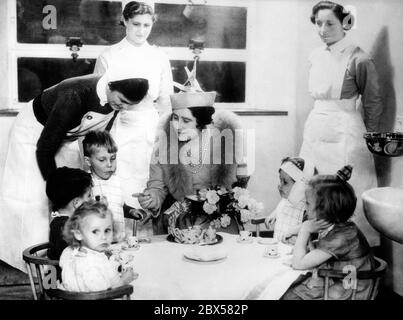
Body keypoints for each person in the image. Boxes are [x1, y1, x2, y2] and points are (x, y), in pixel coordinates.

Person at [0, 72, 148, 271]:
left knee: (76, 193)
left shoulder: (114, 101)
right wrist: (58, 190)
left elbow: (97, 142)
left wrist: (100, 169)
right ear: (111, 86)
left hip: (66, 134)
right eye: (122, 101)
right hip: (34, 132)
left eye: (128, 105)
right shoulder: (74, 95)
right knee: (38, 198)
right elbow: (44, 149)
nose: (123, 107)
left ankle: (71, 260)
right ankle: (38, 269)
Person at [299, 1, 383, 247]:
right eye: (318, 23)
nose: (323, 29)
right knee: (313, 187)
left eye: (329, 23)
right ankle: (316, 249)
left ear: (345, 23)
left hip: (345, 131)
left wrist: (371, 138)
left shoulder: (359, 58)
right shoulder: (315, 56)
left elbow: (373, 102)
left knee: (344, 192)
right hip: (316, 125)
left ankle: (352, 252)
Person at [94, 1, 173, 213]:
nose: (141, 30)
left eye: (147, 25)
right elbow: (98, 103)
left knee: (150, 183)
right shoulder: (108, 55)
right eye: (136, 24)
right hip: (119, 127)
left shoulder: (159, 57)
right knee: (120, 185)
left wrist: (166, 138)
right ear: (125, 21)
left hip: (150, 128)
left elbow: (166, 103)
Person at [138, 88, 250, 235]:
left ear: (201, 122)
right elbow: (157, 187)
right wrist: (152, 199)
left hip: (219, 222)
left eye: (186, 120)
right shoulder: (164, 146)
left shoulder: (224, 143)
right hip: (180, 222)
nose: (177, 126)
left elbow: (239, 186)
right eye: (175, 118)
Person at [281, 165, 375, 300]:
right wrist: (297, 231)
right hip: (337, 277)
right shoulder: (339, 225)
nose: (305, 207)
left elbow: (298, 264)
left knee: (290, 296)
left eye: (307, 204)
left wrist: (304, 231)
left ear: (325, 210)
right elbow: (317, 233)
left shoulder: (343, 237)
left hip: (351, 288)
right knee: (290, 289)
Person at [59, 200, 137, 292]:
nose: (103, 237)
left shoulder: (70, 252)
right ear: (78, 234)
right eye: (95, 231)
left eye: (107, 230)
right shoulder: (90, 266)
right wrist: (124, 280)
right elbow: (102, 294)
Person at [82, 130, 144, 242]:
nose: (109, 164)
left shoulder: (116, 180)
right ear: (88, 161)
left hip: (119, 241)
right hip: (97, 244)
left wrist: (130, 211)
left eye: (113, 158)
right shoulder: (86, 183)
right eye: (102, 160)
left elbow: (117, 205)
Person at [265, 157, 316, 244]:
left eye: (285, 182)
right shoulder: (285, 200)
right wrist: (273, 215)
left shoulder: (306, 207)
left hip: (293, 250)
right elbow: (281, 208)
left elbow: (309, 227)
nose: (279, 186)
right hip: (277, 244)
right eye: (280, 180)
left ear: (300, 186)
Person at [46, 167, 93, 260]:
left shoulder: (63, 221)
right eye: (89, 195)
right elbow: (74, 257)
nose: (92, 199)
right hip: (70, 272)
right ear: (76, 203)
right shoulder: (64, 227)